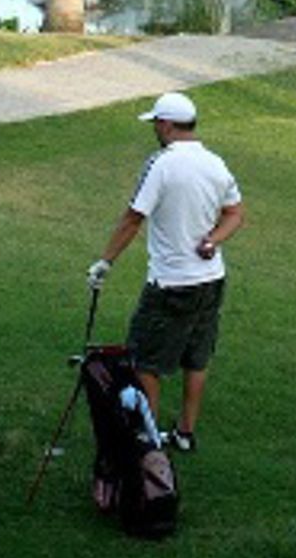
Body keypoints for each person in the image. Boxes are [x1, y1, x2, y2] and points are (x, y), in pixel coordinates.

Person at [88, 90, 244, 453]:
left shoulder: (161, 163)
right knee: (197, 357)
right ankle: (186, 433)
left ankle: (148, 436)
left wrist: (105, 262)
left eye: (157, 122)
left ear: (167, 124)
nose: (155, 128)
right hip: (211, 279)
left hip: (170, 282)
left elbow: (133, 218)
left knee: (145, 359)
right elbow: (236, 213)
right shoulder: (215, 163)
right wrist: (213, 240)